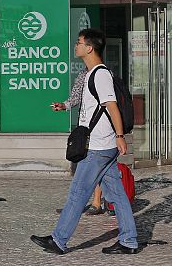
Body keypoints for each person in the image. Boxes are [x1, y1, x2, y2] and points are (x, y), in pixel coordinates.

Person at [31, 29, 138, 255]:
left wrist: (120, 136)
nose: (76, 46)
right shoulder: (92, 74)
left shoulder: (100, 74)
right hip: (103, 145)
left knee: (78, 193)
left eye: (79, 42)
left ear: (89, 48)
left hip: (99, 147)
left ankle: (58, 240)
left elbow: (112, 107)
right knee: (118, 196)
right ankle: (129, 241)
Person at [51, 70, 107, 216]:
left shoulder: (104, 73)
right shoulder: (83, 74)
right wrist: (64, 105)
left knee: (96, 167)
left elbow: (110, 103)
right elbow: (76, 96)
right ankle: (78, 204)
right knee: (85, 166)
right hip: (84, 127)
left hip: (100, 127)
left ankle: (96, 202)